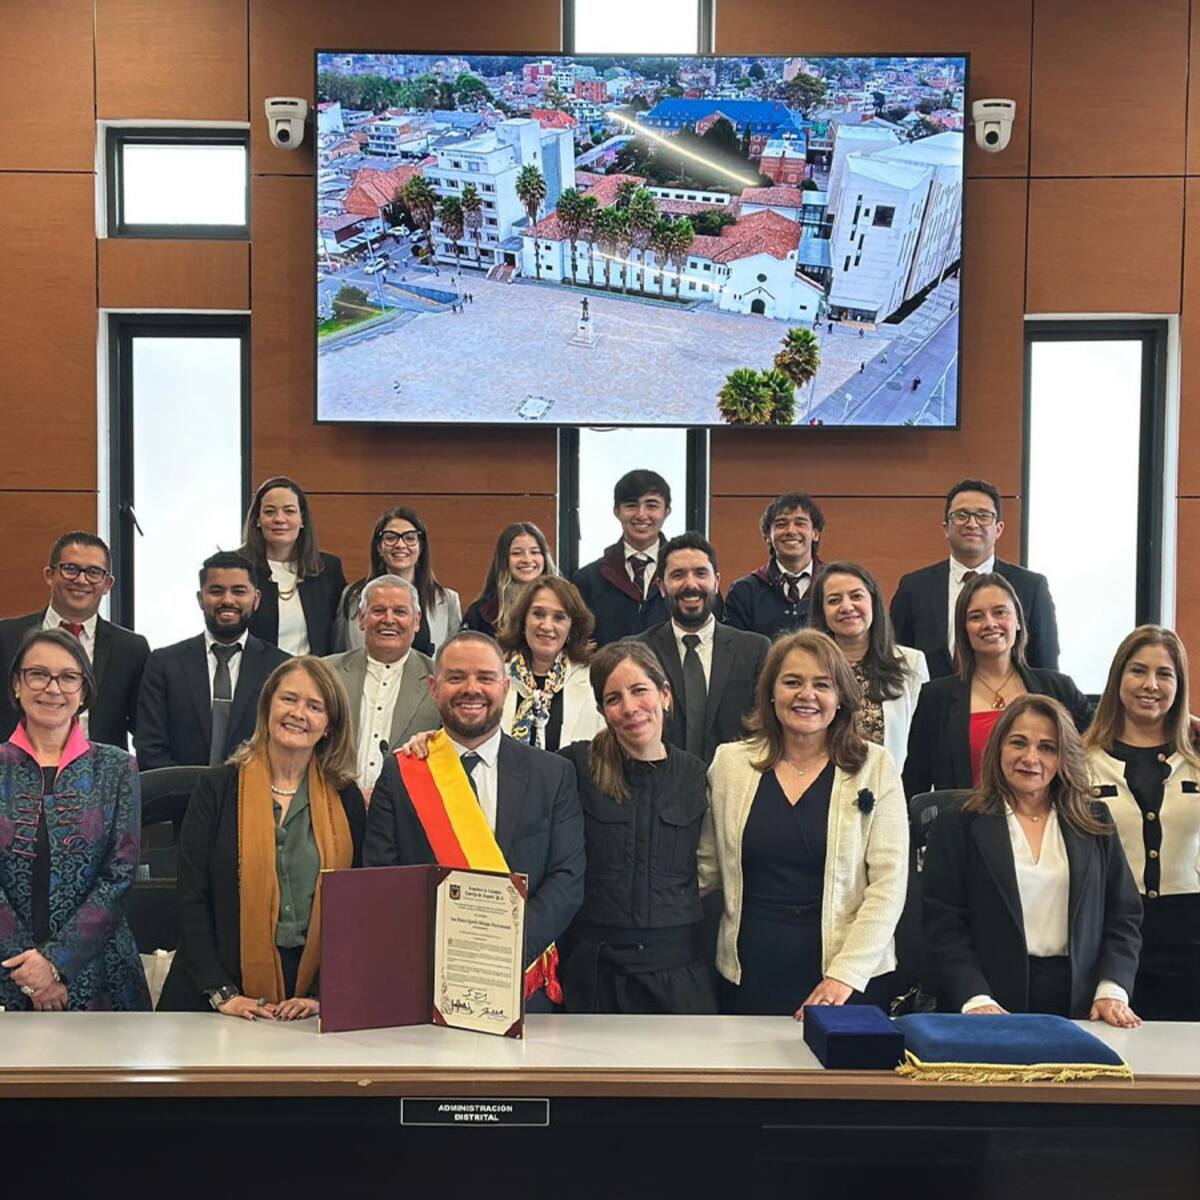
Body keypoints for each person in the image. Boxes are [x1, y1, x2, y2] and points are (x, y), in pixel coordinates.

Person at [364, 631, 585, 1011]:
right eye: (456, 678)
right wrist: (449, 958)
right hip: (428, 984)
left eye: (485, 678)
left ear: (505, 686)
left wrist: (506, 951)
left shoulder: (552, 774)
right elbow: (383, 878)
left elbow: (567, 878)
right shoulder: (402, 774)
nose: (471, 689)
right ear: (434, 688)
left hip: (520, 982)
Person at [699, 629, 908, 1016]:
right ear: (771, 693)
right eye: (792, 682)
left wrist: (843, 977)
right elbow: (706, 869)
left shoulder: (875, 766)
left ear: (841, 697)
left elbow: (888, 885)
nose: (806, 695)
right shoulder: (730, 764)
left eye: (822, 685)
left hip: (849, 979)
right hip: (751, 973)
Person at [158, 657, 365, 1018]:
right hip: (213, 995)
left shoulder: (346, 797)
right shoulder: (217, 788)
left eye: (314, 706)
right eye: (289, 699)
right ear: (268, 705)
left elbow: (358, 908)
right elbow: (191, 896)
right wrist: (222, 993)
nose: (298, 713)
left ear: (329, 726)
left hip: (309, 1003)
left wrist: (321, 995)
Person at [922, 695, 1142, 1026]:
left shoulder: (1094, 821)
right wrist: (975, 998)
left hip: (1080, 1004)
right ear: (998, 748)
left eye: (1047, 748)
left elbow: (1123, 915)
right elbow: (944, 924)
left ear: (1063, 757)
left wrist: (1112, 989)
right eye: (1018, 743)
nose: (1031, 758)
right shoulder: (957, 825)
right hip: (987, 1002)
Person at [558, 640, 716, 1013]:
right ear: (601, 710)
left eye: (639, 690)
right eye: (613, 699)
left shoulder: (696, 774)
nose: (629, 708)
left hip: (678, 972)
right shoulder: (574, 767)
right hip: (595, 975)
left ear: (664, 694)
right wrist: (438, 746)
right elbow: (506, 761)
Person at [0, 628, 149, 1010]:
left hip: (101, 974)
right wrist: (30, 969)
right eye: (38, 674)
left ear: (83, 691)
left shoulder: (116, 767)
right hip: (7, 970)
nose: (53, 688)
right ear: (17, 684)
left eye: (68, 677)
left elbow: (119, 876)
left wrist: (56, 963)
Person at [1085, 626, 1200, 1020]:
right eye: (1138, 671)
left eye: (1164, 674)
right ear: (1118, 678)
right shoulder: (1082, 760)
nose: (1150, 684)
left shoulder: (1197, 757)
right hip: (1109, 935)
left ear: (1178, 685)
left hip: (1189, 935)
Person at [903, 573, 1090, 799]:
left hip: (1046, 825)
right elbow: (914, 784)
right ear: (964, 629)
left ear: (1018, 621)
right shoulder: (935, 698)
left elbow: (1099, 745)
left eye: (1000, 612)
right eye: (976, 616)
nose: (990, 623)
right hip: (965, 829)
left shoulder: (1059, 689)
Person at [890, 478, 1060, 678]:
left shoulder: (1031, 587)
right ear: (946, 528)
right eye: (961, 515)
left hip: (1010, 705)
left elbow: (1045, 665)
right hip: (932, 705)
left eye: (983, 515)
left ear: (999, 529)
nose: (972, 523)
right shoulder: (914, 587)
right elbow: (896, 657)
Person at [135, 551, 290, 769]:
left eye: (238, 591)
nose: (228, 600)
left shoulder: (282, 668)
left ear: (255, 600)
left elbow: (286, 745)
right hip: (178, 796)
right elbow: (149, 747)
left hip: (256, 796)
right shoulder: (164, 664)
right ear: (200, 599)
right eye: (216, 591)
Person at [0, 532, 149, 749]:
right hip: (14, 773)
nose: (81, 580)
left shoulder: (131, 649)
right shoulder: (5, 637)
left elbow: (145, 729)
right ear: (49, 574)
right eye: (70, 569)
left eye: (93, 572)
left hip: (101, 776)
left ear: (107, 584)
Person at [639, 533, 768, 763]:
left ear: (716, 581)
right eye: (678, 575)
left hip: (734, 785)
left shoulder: (755, 650)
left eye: (701, 573)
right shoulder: (637, 651)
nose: (691, 585)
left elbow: (766, 728)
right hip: (659, 787)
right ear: (661, 586)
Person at [323, 575, 441, 798]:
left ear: (416, 621)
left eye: (400, 612)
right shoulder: (326, 673)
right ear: (361, 618)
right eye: (378, 611)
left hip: (405, 813)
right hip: (333, 806)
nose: (388, 620)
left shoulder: (440, 680)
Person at [809, 561, 928, 772]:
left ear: (873, 602)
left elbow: (925, 741)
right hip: (823, 788)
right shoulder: (810, 667)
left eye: (856, 596)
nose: (846, 607)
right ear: (822, 613)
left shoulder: (911, 662)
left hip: (892, 789)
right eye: (834, 600)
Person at [332, 506, 461, 656]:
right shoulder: (352, 596)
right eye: (391, 537)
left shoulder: (448, 601)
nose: (400, 545)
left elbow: (453, 659)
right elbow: (339, 657)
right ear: (379, 548)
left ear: (421, 547)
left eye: (410, 538)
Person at [496, 575, 605, 752]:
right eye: (538, 614)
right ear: (523, 620)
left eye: (559, 617)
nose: (547, 626)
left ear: (573, 627)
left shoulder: (593, 681)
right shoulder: (497, 677)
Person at [240, 476, 347, 657]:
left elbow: (338, 636)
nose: (279, 519)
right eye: (269, 511)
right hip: (257, 679)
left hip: (313, 677)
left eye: (289, 511)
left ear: (302, 519)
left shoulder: (328, 569)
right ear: (257, 520)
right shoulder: (238, 568)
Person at [572, 469, 672, 647]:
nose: (641, 514)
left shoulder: (690, 578)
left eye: (652, 505)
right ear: (616, 511)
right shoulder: (587, 580)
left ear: (667, 511)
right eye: (631, 505)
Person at [724, 493, 825, 639]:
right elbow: (734, 652)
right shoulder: (744, 591)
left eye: (800, 523)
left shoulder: (833, 584)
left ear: (815, 534)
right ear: (767, 537)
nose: (791, 531)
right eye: (781, 524)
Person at [463, 522, 556, 639]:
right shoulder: (481, 613)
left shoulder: (564, 604)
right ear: (504, 560)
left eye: (535, 552)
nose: (527, 560)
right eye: (516, 553)